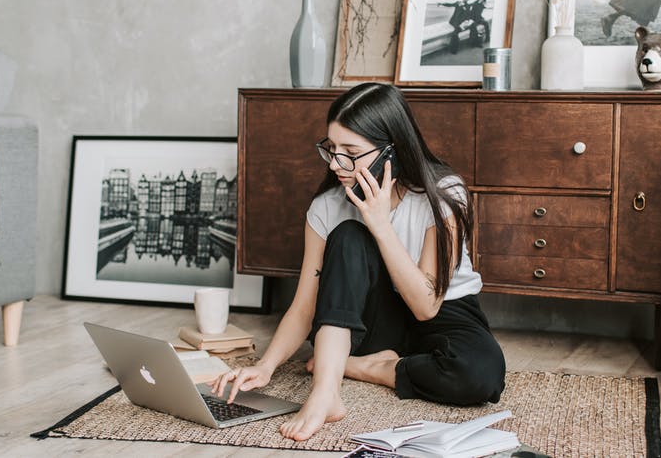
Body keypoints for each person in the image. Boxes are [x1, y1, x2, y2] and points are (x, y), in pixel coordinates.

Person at [211, 83, 505, 442]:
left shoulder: (443, 196)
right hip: (370, 317)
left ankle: (366, 366)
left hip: (445, 311)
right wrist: (266, 366)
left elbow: (427, 306)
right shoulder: (327, 207)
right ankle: (325, 391)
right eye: (331, 149)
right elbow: (304, 307)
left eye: (350, 152)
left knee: (480, 375)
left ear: (390, 151)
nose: (336, 163)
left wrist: (381, 224)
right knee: (349, 233)